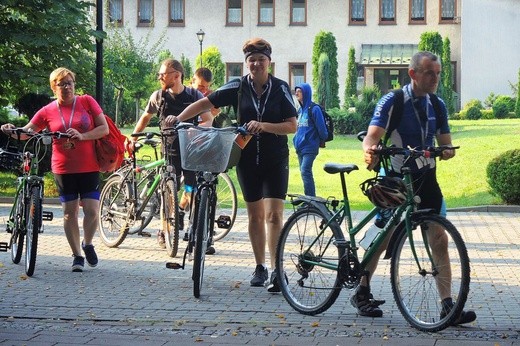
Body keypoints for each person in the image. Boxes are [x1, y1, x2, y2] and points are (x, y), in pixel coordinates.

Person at [166, 38, 298, 292]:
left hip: (275, 158)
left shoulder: (281, 88)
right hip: (246, 157)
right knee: (255, 215)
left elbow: (292, 125)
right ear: (246, 63)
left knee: (274, 215)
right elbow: (207, 102)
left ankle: (277, 270)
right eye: (252, 60)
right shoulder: (238, 87)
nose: (256, 64)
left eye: (261, 59)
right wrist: (179, 118)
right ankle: (260, 267)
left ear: (269, 62)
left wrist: (265, 127)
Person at [360, 51, 476, 325]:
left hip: (426, 176)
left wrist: (447, 151)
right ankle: (362, 290)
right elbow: (371, 137)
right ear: (413, 74)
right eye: (429, 73)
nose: (435, 78)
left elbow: (445, 141)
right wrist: (371, 151)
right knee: (384, 237)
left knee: (440, 239)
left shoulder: (437, 104)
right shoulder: (393, 101)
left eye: (437, 73)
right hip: (398, 177)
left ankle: (448, 306)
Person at [1, 67, 109, 272]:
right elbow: (27, 133)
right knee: (69, 214)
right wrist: (10, 130)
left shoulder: (87, 102)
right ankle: (77, 255)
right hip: (63, 168)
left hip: (88, 165)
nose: (67, 87)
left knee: (92, 211)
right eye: (61, 84)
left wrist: (83, 136)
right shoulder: (47, 110)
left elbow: (103, 128)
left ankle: (88, 243)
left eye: (70, 83)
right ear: (54, 87)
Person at [130, 59, 212, 249]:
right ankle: (163, 229)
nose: (160, 77)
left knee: (191, 189)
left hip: (190, 151)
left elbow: (208, 120)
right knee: (168, 191)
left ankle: (194, 230)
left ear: (176, 75)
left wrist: (197, 130)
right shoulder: (158, 96)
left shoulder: (194, 95)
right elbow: (145, 118)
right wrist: (133, 138)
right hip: (168, 151)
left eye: (163, 74)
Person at [293, 83, 328, 196]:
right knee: (304, 173)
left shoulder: (314, 109)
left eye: (300, 91)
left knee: (305, 171)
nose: (297, 93)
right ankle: (308, 198)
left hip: (310, 147)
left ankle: (311, 200)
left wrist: (321, 140)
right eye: (296, 91)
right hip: (300, 147)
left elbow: (322, 130)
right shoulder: (300, 110)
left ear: (306, 93)